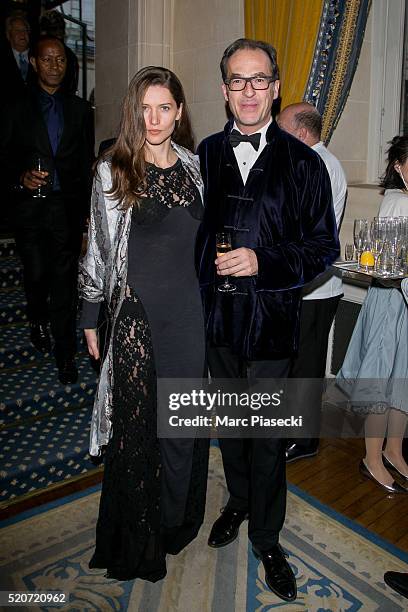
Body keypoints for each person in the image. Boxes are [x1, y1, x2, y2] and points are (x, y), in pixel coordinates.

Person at [196, 38, 340, 602]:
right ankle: (235, 501)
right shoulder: (204, 153)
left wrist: (264, 261)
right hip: (218, 321)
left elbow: (322, 247)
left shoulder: (305, 163)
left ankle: (268, 535)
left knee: (267, 435)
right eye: (238, 80)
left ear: (275, 87)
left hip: (274, 324)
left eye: (259, 80)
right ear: (225, 89)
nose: (249, 91)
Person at [79, 66, 209, 581]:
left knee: (182, 429)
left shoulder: (199, 169)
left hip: (190, 318)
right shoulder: (113, 168)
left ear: (179, 112)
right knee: (137, 435)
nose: (153, 119)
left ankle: (175, 522)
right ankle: (138, 539)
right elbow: (95, 249)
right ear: (134, 112)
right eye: (144, 108)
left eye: (164, 108)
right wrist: (91, 316)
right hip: (135, 318)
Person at [0, 35, 94, 384]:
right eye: (48, 59)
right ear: (35, 63)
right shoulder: (15, 107)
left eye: (61, 60)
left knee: (65, 284)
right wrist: (18, 177)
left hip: (65, 211)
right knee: (36, 274)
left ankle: (65, 354)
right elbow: (4, 157)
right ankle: (36, 316)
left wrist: (88, 214)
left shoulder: (81, 110)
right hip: (28, 210)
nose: (55, 65)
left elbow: (86, 164)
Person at [337, 136, 408, 494]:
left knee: (403, 380)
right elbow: (391, 262)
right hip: (390, 298)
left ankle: (394, 451)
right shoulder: (398, 201)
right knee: (381, 380)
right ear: (398, 166)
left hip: (404, 300)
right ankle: (372, 458)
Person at [277, 102, 347, 462]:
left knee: (306, 366)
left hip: (315, 287)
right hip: (309, 284)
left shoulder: (319, 165)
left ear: (302, 134)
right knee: (298, 362)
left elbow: (307, 232)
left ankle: (304, 440)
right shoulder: (314, 163)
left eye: (282, 130)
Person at [3, 13, 35, 100]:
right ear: (8, 35)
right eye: (17, 30)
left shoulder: (38, 56)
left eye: (25, 30)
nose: (22, 34)